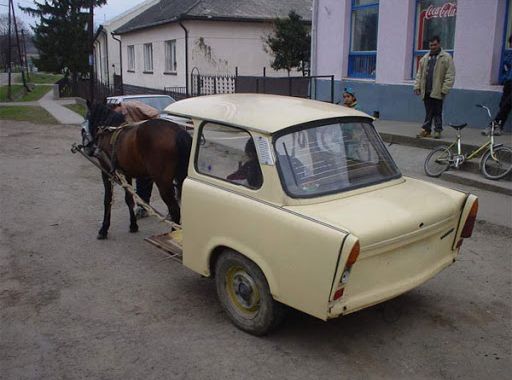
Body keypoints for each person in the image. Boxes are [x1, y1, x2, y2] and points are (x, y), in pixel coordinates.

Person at [111, 100, 159, 219]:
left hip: (150, 137)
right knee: (142, 178)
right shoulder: (123, 116)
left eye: (116, 112)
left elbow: (154, 113)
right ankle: (143, 206)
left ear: (118, 106)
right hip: (140, 144)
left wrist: (144, 125)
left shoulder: (132, 105)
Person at [414, 35, 455, 139]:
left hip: (438, 90)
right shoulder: (425, 58)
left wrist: (445, 89)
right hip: (426, 90)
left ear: (439, 44)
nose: (433, 47)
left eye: (435, 45)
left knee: (437, 111)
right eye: (431, 45)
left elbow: (450, 75)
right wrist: (417, 87)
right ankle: (427, 130)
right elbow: (420, 74)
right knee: (428, 111)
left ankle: (437, 130)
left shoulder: (446, 57)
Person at [482, 35, 512, 136]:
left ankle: (492, 125)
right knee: (503, 105)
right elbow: (504, 66)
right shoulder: (510, 55)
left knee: (507, 104)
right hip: (508, 82)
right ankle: (499, 127)